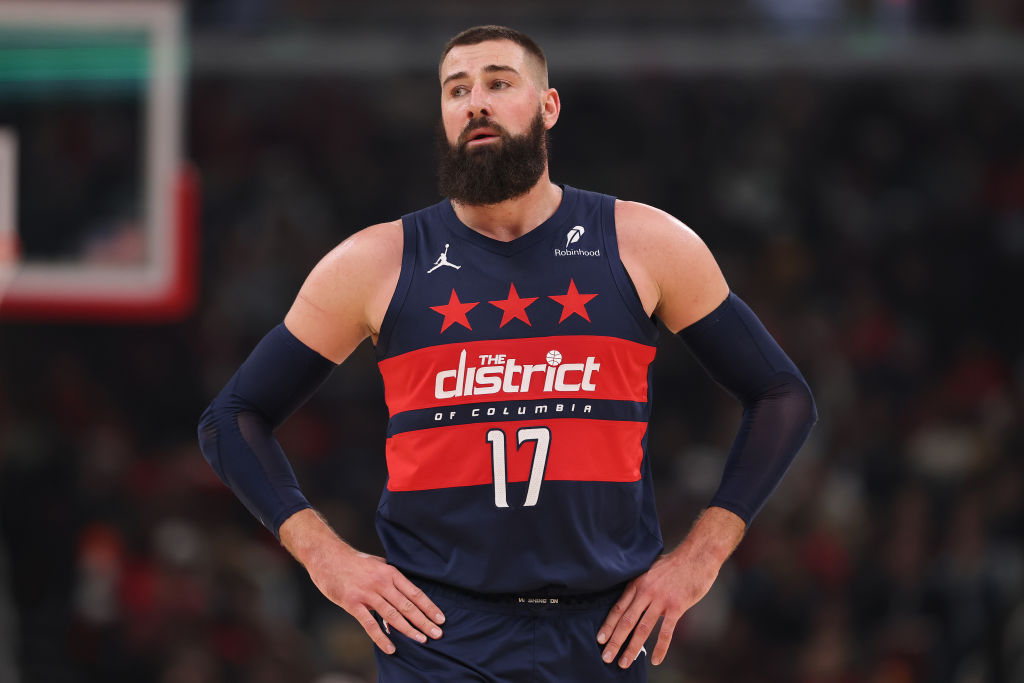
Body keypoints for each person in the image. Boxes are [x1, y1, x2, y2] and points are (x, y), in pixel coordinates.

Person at [198, 25, 817, 681]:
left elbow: (782, 395)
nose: (476, 103)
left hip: (604, 632)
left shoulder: (643, 242)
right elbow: (231, 417)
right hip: (437, 634)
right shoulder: (376, 261)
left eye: (498, 82)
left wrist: (702, 556)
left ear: (548, 106)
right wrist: (325, 556)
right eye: (456, 90)